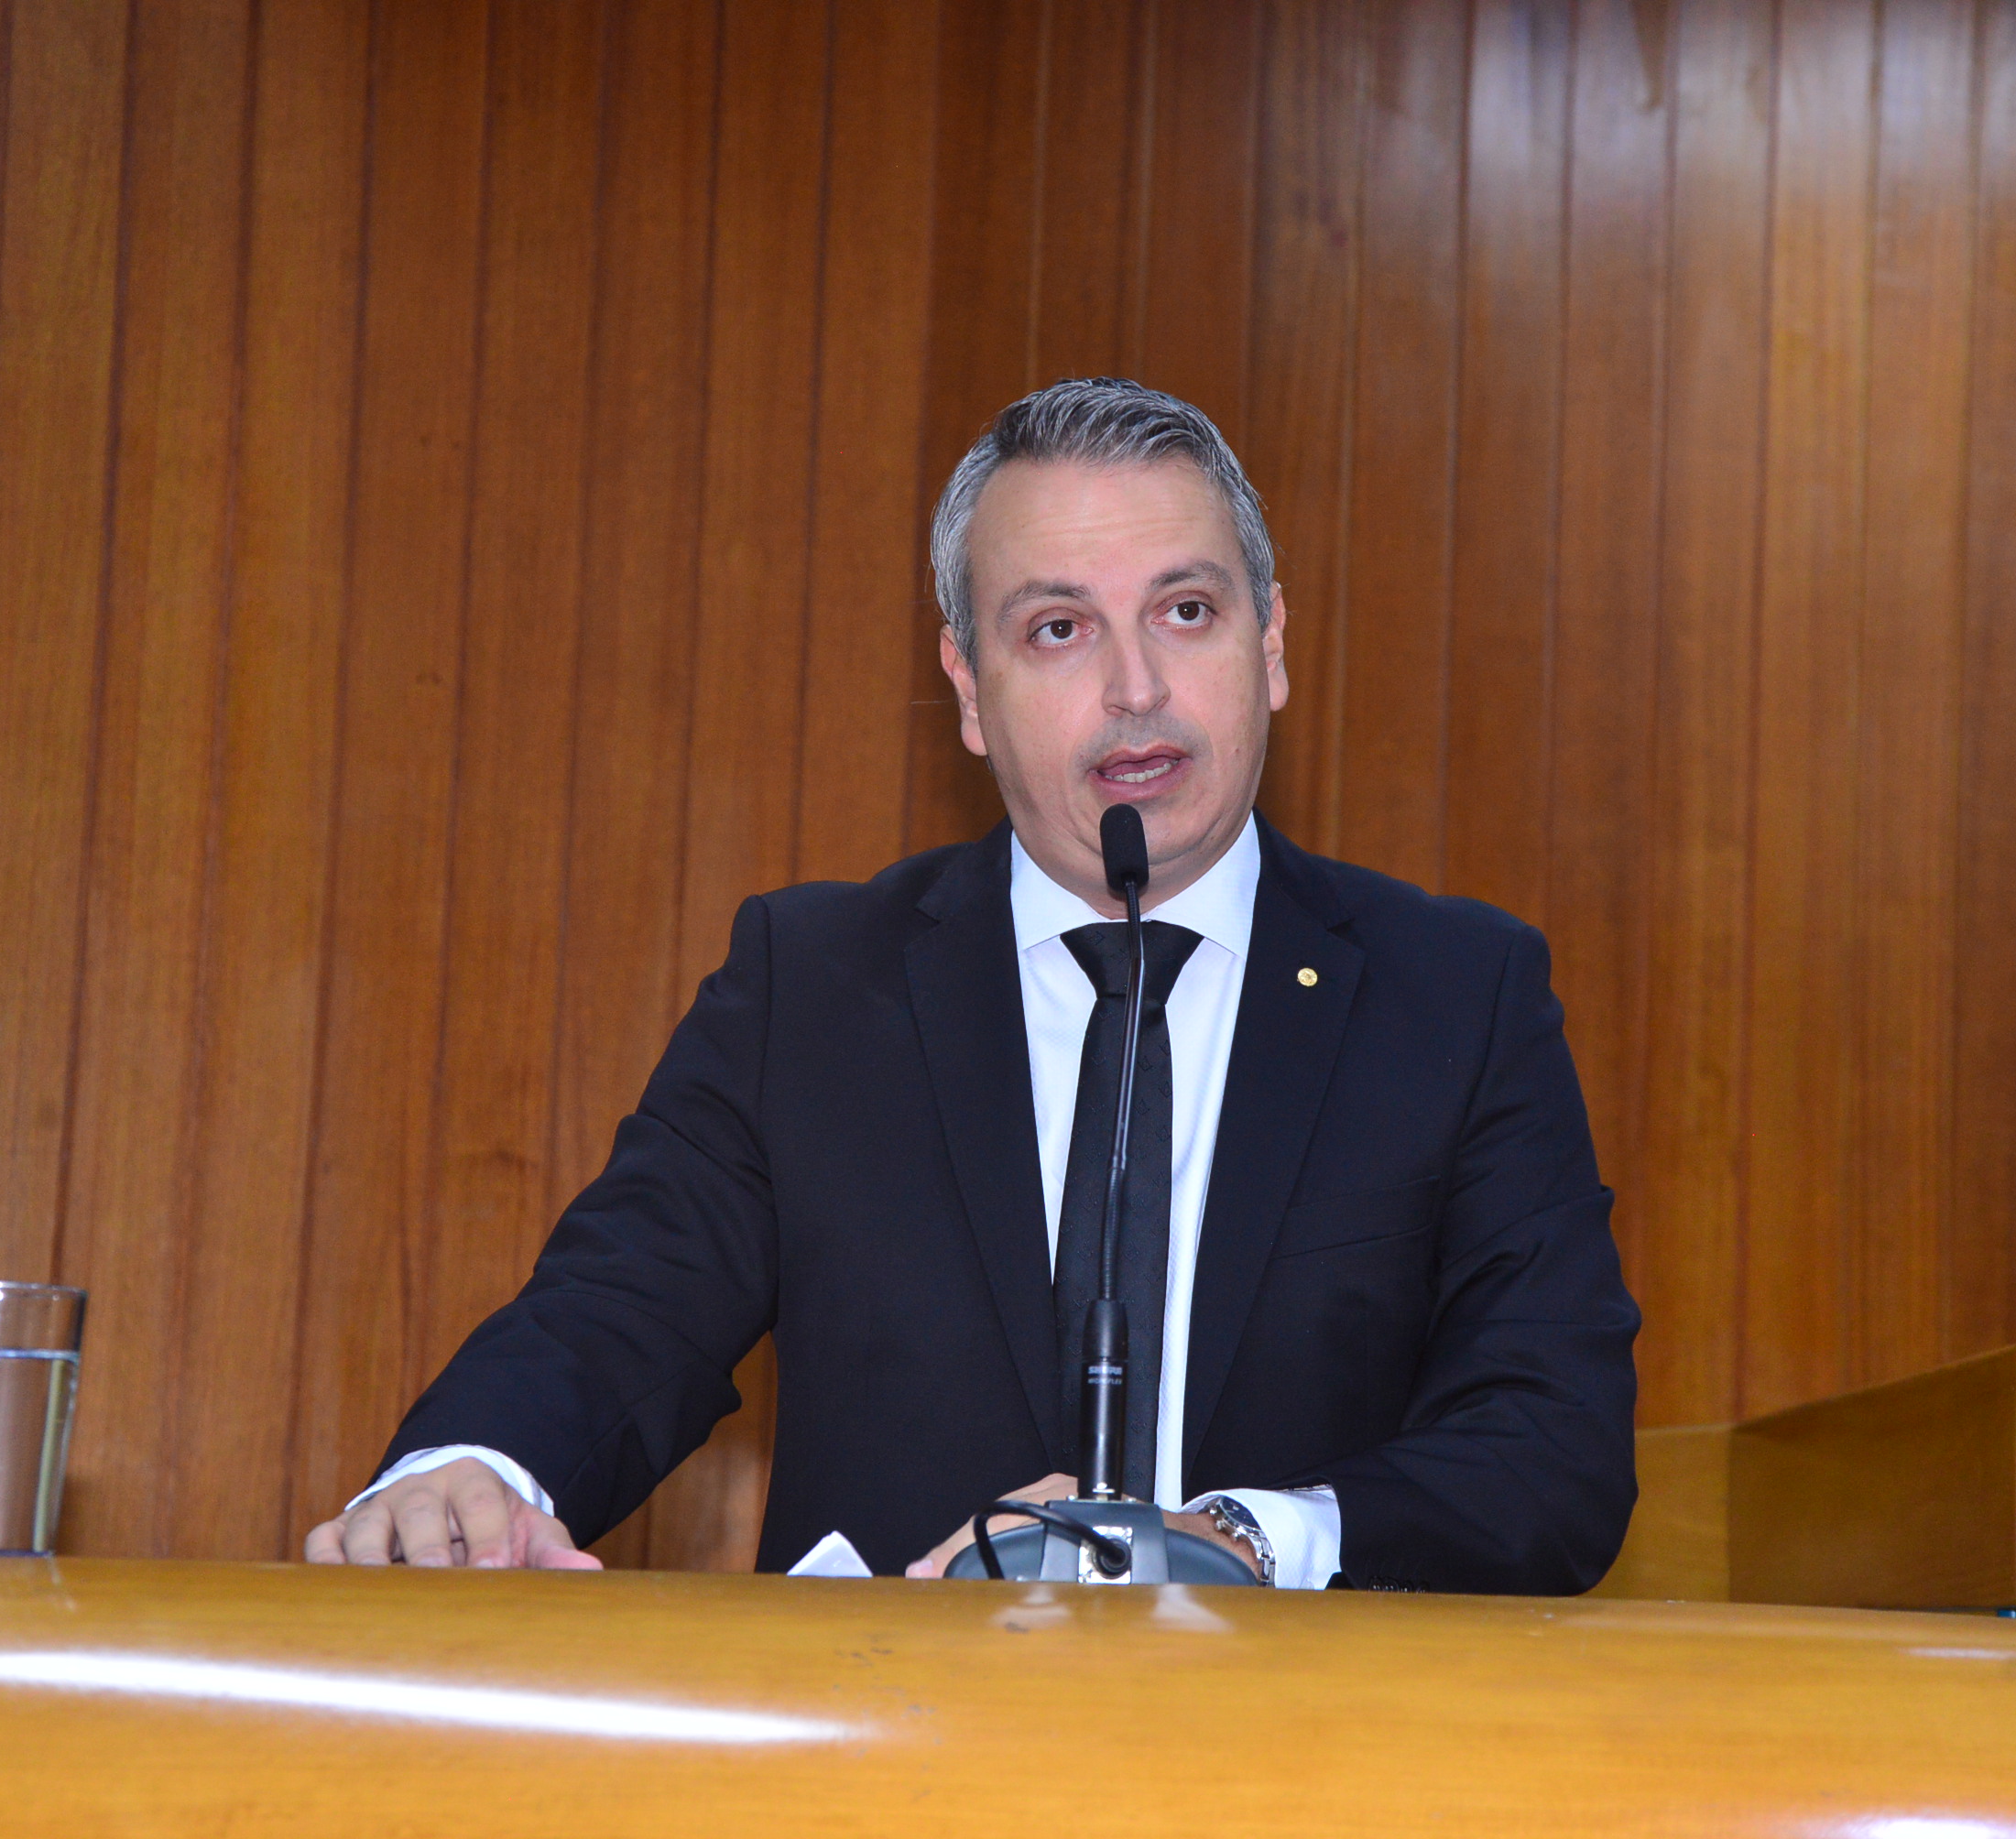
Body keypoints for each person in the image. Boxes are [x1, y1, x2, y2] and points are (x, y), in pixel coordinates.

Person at [304, 378, 1640, 1590]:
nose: (1136, 689)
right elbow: (618, 1311)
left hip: (1302, 1741)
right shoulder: (813, 988)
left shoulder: (1455, 997)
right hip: (891, 1732)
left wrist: (1237, 1539)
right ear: (967, 685)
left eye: (1186, 611)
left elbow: (1552, 1447)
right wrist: (467, 1474)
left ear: (1272, 643)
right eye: (1058, 629)